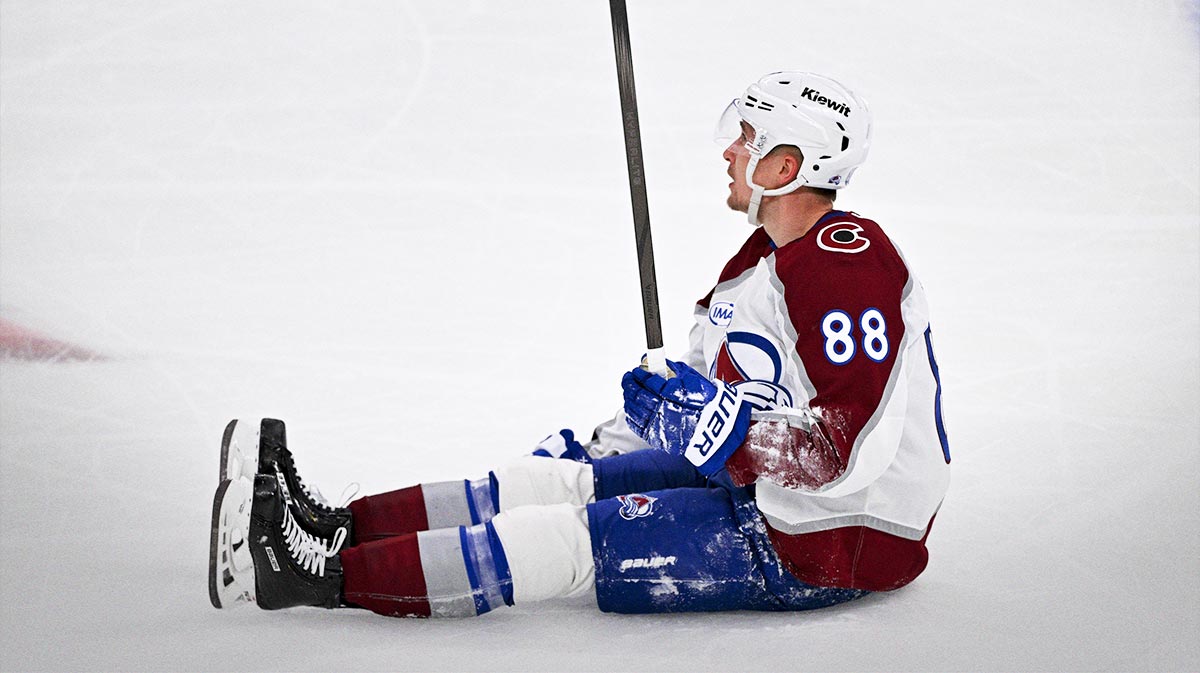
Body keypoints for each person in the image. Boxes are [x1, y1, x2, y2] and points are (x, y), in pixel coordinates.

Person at [208, 71, 951, 618]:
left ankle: (312, 579)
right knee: (551, 481)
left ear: (785, 166)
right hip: (771, 490)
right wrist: (612, 442)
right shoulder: (755, 268)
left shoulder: (847, 265)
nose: (732, 150)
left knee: (563, 539)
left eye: (750, 138)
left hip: (834, 540)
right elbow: (703, 392)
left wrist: (711, 426)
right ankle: (337, 529)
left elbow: (844, 453)